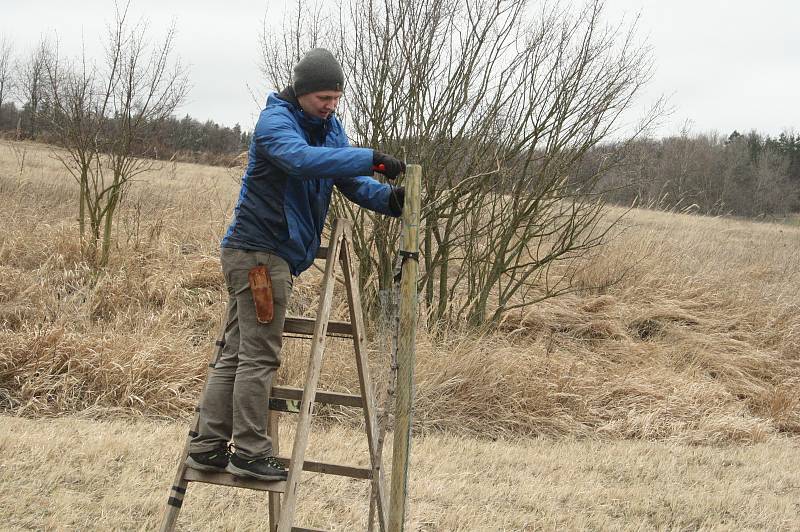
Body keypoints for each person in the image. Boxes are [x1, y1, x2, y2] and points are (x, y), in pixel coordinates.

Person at [185, 48, 406, 481]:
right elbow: (302, 162)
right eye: (324, 97)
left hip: (267, 256)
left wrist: (389, 200)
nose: (331, 105)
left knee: (235, 352)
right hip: (259, 256)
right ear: (302, 92)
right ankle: (249, 451)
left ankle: (208, 445)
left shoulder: (330, 128)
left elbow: (349, 180)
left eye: (336, 97)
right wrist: (372, 157)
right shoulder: (275, 123)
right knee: (258, 356)